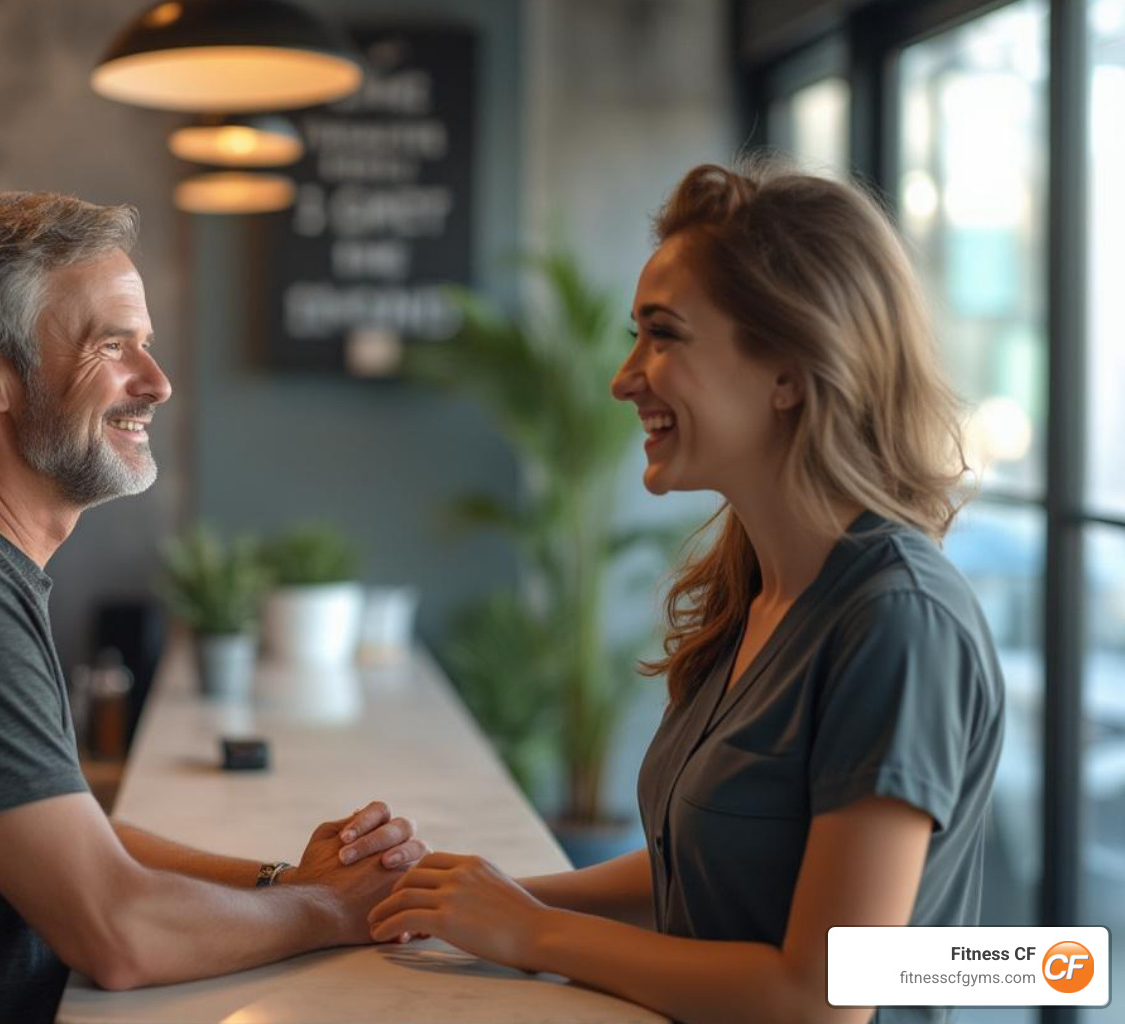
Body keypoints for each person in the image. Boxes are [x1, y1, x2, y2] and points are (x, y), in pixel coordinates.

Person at [0, 191, 429, 1024]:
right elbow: (116, 931)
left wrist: (284, 883)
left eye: (144, 345)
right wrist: (333, 911)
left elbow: (75, 831)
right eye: (111, 346)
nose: (157, 381)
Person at [369, 162, 1005, 1024]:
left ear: (790, 369)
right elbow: (697, 867)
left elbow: (823, 1001)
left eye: (663, 336)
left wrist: (535, 933)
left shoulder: (896, 623)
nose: (624, 377)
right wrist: (483, 901)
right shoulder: (757, 584)